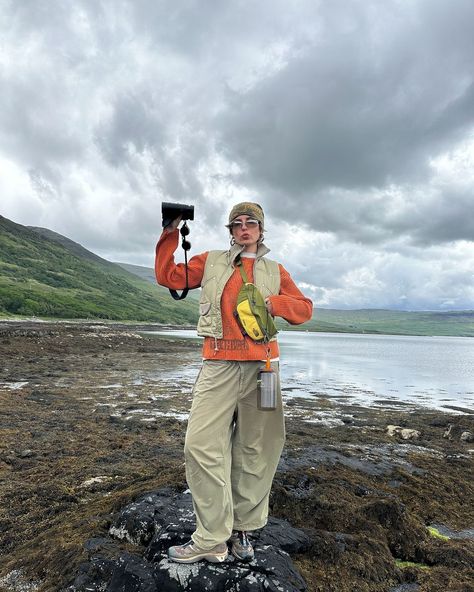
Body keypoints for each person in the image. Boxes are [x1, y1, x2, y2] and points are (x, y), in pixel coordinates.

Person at [155, 202, 313, 564]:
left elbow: (304, 309)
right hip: (219, 366)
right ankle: (211, 538)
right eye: (237, 224)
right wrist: (169, 232)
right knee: (200, 445)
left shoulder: (275, 270)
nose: (244, 229)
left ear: (261, 229)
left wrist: (275, 304)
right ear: (230, 231)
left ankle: (243, 529)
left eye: (251, 223)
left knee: (259, 448)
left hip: (266, 369)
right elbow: (170, 277)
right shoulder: (211, 262)